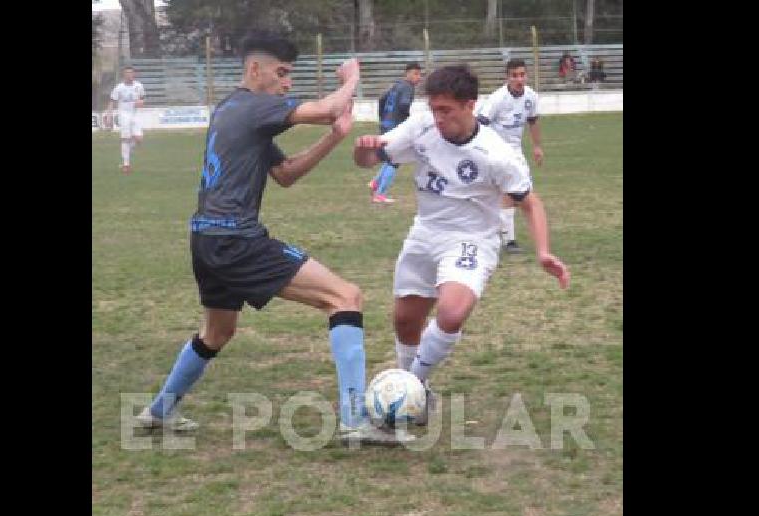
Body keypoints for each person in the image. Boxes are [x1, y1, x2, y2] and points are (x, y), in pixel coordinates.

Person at [135, 31, 412, 446]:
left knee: (216, 333)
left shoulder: (233, 109)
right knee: (345, 297)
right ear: (254, 69)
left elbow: (285, 175)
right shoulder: (252, 107)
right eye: (281, 74)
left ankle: (158, 412)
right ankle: (356, 421)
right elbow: (328, 107)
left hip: (206, 239)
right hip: (236, 239)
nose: (286, 84)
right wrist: (351, 78)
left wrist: (335, 137)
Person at [353, 65, 569, 425]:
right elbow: (368, 162)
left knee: (451, 313)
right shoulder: (422, 126)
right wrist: (365, 149)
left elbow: (530, 201)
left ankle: (412, 386)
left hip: (473, 238)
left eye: (446, 110)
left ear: (470, 105)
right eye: (434, 109)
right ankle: (414, 395)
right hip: (425, 232)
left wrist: (543, 251)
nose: (437, 118)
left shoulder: (496, 154)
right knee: (405, 321)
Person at [475, 59, 543, 254]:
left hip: (515, 151)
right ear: (508, 77)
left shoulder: (531, 96)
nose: (519, 79)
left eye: (522, 75)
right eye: (514, 75)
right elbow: (480, 123)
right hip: (496, 150)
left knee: (516, 193)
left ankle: (500, 235)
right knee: (512, 192)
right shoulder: (498, 98)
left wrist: (537, 146)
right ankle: (508, 240)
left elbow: (533, 121)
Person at [367, 62, 423, 204]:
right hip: (395, 127)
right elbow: (404, 105)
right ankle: (380, 194)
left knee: (392, 157)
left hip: (386, 125)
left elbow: (381, 100)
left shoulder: (396, 85)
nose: (419, 77)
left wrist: (383, 117)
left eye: (420, 74)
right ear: (408, 74)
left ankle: (375, 183)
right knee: (395, 160)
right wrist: (408, 121)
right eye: (416, 74)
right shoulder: (408, 88)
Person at [106, 66, 145, 174]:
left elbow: (142, 99)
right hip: (124, 115)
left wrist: (141, 103)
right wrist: (109, 116)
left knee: (139, 139)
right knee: (125, 139)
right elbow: (112, 101)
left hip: (136, 115)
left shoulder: (139, 86)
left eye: (131, 73)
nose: (129, 75)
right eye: (127, 73)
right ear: (124, 75)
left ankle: (125, 160)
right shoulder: (119, 88)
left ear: (134, 74)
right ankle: (126, 165)